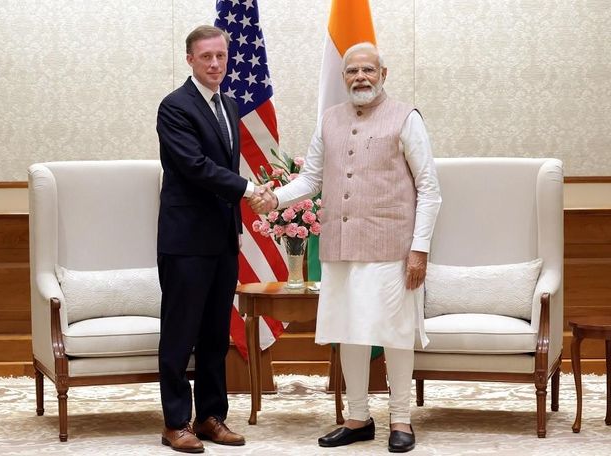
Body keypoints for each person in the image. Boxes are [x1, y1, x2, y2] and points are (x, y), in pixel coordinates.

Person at [249, 42, 441, 453]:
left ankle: (401, 419)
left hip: (393, 248)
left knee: (395, 333)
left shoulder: (406, 117)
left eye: (368, 70)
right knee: (350, 331)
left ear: (383, 74)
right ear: (343, 78)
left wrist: (420, 249)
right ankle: (358, 418)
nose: (361, 77)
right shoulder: (329, 120)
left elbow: (429, 188)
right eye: (353, 71)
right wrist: (275, 198)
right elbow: (311, 179)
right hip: (340, 247)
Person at [156, 25, 266, 453]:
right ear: (190, 60)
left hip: (222, 238)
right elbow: (195, 166)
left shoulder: (229, 104)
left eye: (221, 55)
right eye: (206, 57)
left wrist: (240, 208)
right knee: (180, 334)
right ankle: (175, 423)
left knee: (216, 336)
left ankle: (210, 417)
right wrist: (249, 190)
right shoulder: (175, 106)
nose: (216, 64)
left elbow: (222, 168)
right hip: (185, 241)